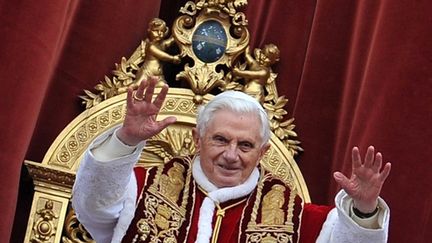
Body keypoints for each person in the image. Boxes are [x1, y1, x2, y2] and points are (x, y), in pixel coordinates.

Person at [72, 77, 391, 243]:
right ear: (197, 139)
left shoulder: (296, 218)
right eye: (220, 139)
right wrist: (126, 140)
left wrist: (363, 211)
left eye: (246, 145)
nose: (231, 155)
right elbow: (92, 206)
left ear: (263, 153)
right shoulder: (144, 188)